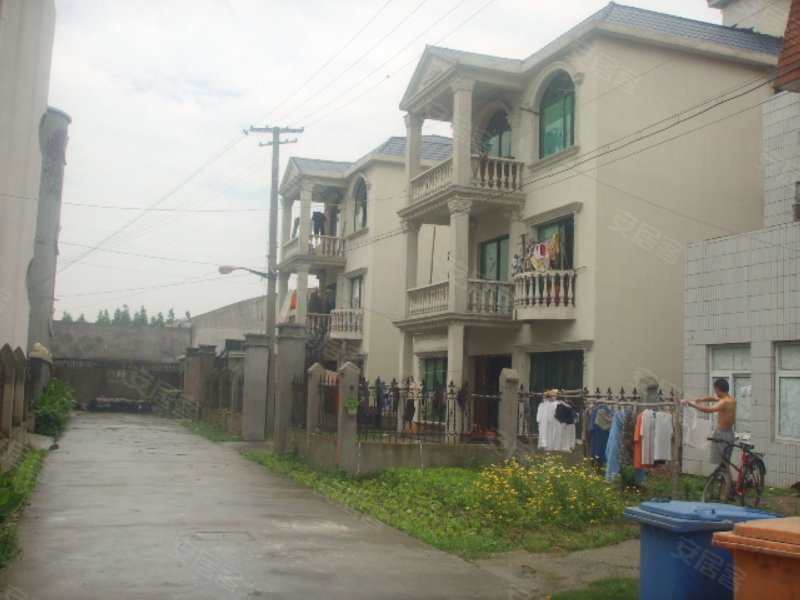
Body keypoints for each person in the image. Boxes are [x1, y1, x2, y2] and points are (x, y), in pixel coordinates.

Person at [685, 378, 736, 469]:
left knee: (721, 462)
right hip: (729, 433)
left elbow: (707, 410)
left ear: (717, 389)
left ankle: (723, 476)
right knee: (725, 462)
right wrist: (701, 399)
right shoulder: (732, 400)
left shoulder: (724, 402)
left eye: (715, 390)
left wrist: (691, 404)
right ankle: (725, 476)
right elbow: (713, 398)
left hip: (722, 434)